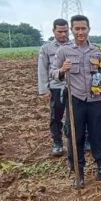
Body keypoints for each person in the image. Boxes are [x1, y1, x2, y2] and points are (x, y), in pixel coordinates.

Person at [51, 14, 101, 187]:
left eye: (83, 28)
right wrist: (62, 70)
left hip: (96, 99)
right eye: (77, 29)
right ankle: (78, 173)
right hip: (75, 100)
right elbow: (54, 74)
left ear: (89, 29)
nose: (80, 32)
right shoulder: (64, 51)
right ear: (72, 30)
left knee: (99, 134)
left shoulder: (97, 50)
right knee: (75, 136)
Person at [37, 18, 70, 156]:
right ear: (53, 31)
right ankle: (57, 142)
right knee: (56, 116)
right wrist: (45, 90)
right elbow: (42, 70)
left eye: (66, 31)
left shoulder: (74, 46)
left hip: (73, 87)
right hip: (56, 87)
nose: (63, 34)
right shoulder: (46, 48)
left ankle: (80, 140)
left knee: (76, 116)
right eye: (60, 31)